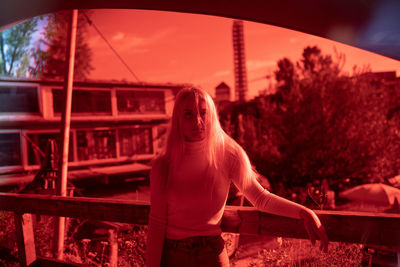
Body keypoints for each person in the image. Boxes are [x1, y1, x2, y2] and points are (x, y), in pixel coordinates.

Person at [146, 87, 328, 267]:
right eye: (188, 114)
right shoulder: (163, 165)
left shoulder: (228, 154)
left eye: (203, 113)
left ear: (212, 116)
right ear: (177, 119)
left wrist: (304, 212)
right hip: (173, 256)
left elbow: (261, 198)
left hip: (211, 254)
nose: (198, 121)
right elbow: (156, 222)